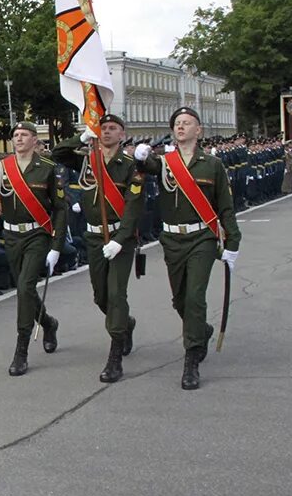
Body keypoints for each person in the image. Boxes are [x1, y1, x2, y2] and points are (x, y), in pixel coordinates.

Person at [133, 107, 241, 389]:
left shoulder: (212, 164)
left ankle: (191, 358)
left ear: (198, 130)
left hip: (202, 239)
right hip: (172, 241)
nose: (180, 127)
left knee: (194, 297)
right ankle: (201, 330)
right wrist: (141, 157)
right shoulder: (166, 162)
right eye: (177, 123)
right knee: (180, 300)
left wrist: (233, 243)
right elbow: (147, 167)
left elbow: (226, 207)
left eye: (186, 123)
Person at [0, 121, 68, 376]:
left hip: (37, 234)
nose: (18, 138)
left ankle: (21, 350)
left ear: (33, 139)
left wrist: (57, 246)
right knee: (23, 289)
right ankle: (48, 323)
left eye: (24, 134)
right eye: (15, 135)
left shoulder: (48, 169)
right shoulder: (5, 167)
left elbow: (60, 209)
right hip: (12, 236)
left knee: (26, 286)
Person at [52, 113, 145, 383]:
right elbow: (59, 153)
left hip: (120, 238)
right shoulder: (86, 160)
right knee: (101, 296)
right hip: (94, 238)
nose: (106, 132)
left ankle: (114, 356)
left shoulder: (130, 165)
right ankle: (126, 324)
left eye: (112, 128)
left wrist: (119, 239)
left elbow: (133, 206)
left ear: (122, 134)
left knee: (116, 295)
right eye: (102, 128)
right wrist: (82, 137)